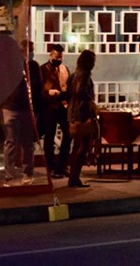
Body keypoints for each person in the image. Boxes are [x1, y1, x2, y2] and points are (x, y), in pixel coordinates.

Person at [1, 58, 37, 186]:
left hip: (24, 109)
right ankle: (9, 176)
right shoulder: (7, 69)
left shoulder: (32, 68)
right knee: (11, 142)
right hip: (10, 107)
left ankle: (27, 173)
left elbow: (36, 88)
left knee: (27, 143)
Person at [67, 49, 98, 188]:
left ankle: (73, 177)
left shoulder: (74, 74)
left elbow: (69, 92)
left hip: (73, 113)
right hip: (82, 114)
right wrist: (91, 102)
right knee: (83, 146)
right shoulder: (84, 74)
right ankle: (75, 178)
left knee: (77, 146)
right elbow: (81, 91)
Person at [40, 44, 72, 178]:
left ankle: (62, 164)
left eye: (61, 57)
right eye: (56, 57)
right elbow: (38, 90)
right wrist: (48, 92)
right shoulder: (43, 69)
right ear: (51, 55)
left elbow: (68, 86)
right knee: (49, 137)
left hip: (63, 105)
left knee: (68, 134)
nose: (59, 59)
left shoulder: (65, 69)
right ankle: (50, 166)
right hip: (49, 106)